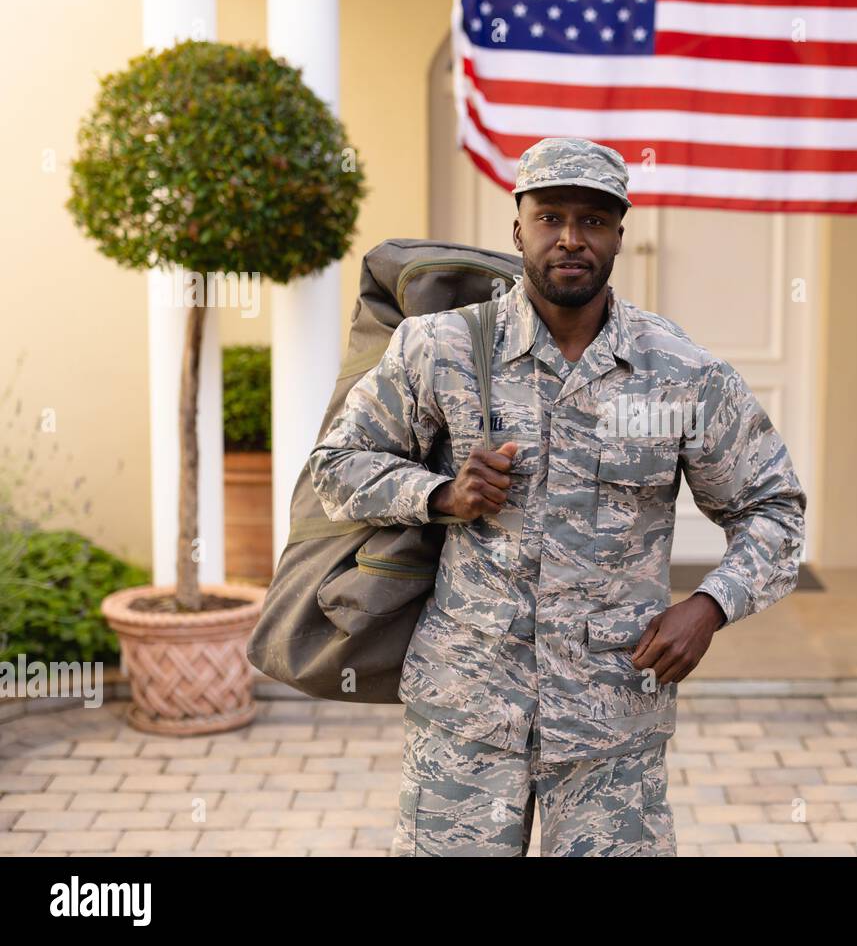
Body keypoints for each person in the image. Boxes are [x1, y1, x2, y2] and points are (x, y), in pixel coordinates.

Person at [308, 136, 807, 856]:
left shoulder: (680, 372)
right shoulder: (439, 348)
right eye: (550, 217)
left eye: (594, 220)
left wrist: (710, 605)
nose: (571, 238)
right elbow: (337, 465)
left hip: (612, 724)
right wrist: (441, 493)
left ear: (619, 236)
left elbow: (774, 510)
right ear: (518, 228)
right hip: (466, 716)